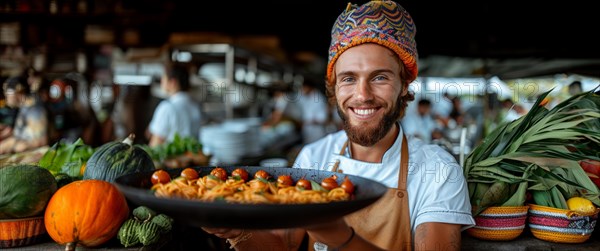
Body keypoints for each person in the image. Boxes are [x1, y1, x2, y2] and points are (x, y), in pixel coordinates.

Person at [203, 1, 475, 250]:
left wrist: (339, 237)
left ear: (404, 85)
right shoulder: (314, 159)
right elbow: (281, 243)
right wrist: (236, 231)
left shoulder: (437, 171)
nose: (362, 95)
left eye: (379, 77)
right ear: (334, 87)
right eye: (348, 79)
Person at [147, 63, 202, 147]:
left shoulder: (167, 107)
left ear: (173, 82)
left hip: (170, 159)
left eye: (163, 79)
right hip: (192, 157)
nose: (161, 82)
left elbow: (155, 144)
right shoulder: (196, 106)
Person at [0, 76, 48, 154]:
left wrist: (12, 144)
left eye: (7, 91)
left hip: (35, 158)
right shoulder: (24, 108)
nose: (5, 96)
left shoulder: (34, 109)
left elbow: (41, 142)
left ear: (19, 90)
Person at [298, 78, 328, 144]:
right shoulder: (306, 97)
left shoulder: (319, 99)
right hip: (307, 130)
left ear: (309, 87)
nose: (302, 90)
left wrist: (307, 122)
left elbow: (323, 119)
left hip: (316, 132)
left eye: (304, 88)